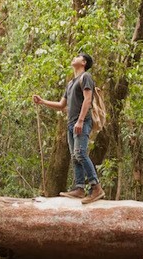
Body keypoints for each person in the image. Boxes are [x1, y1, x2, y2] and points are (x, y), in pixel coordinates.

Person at [32, 53, 105, 204]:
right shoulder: (71, 83)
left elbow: (88, 100)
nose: (74, 58)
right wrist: (42, 101)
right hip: (71, 123)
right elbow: (61, 105)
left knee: (80, 153)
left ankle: (96, 187)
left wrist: (80, 120)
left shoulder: (86, 77)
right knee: (74, 156)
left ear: (84, 62)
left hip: (81, 122)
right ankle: (79, 188)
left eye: (78, 57)